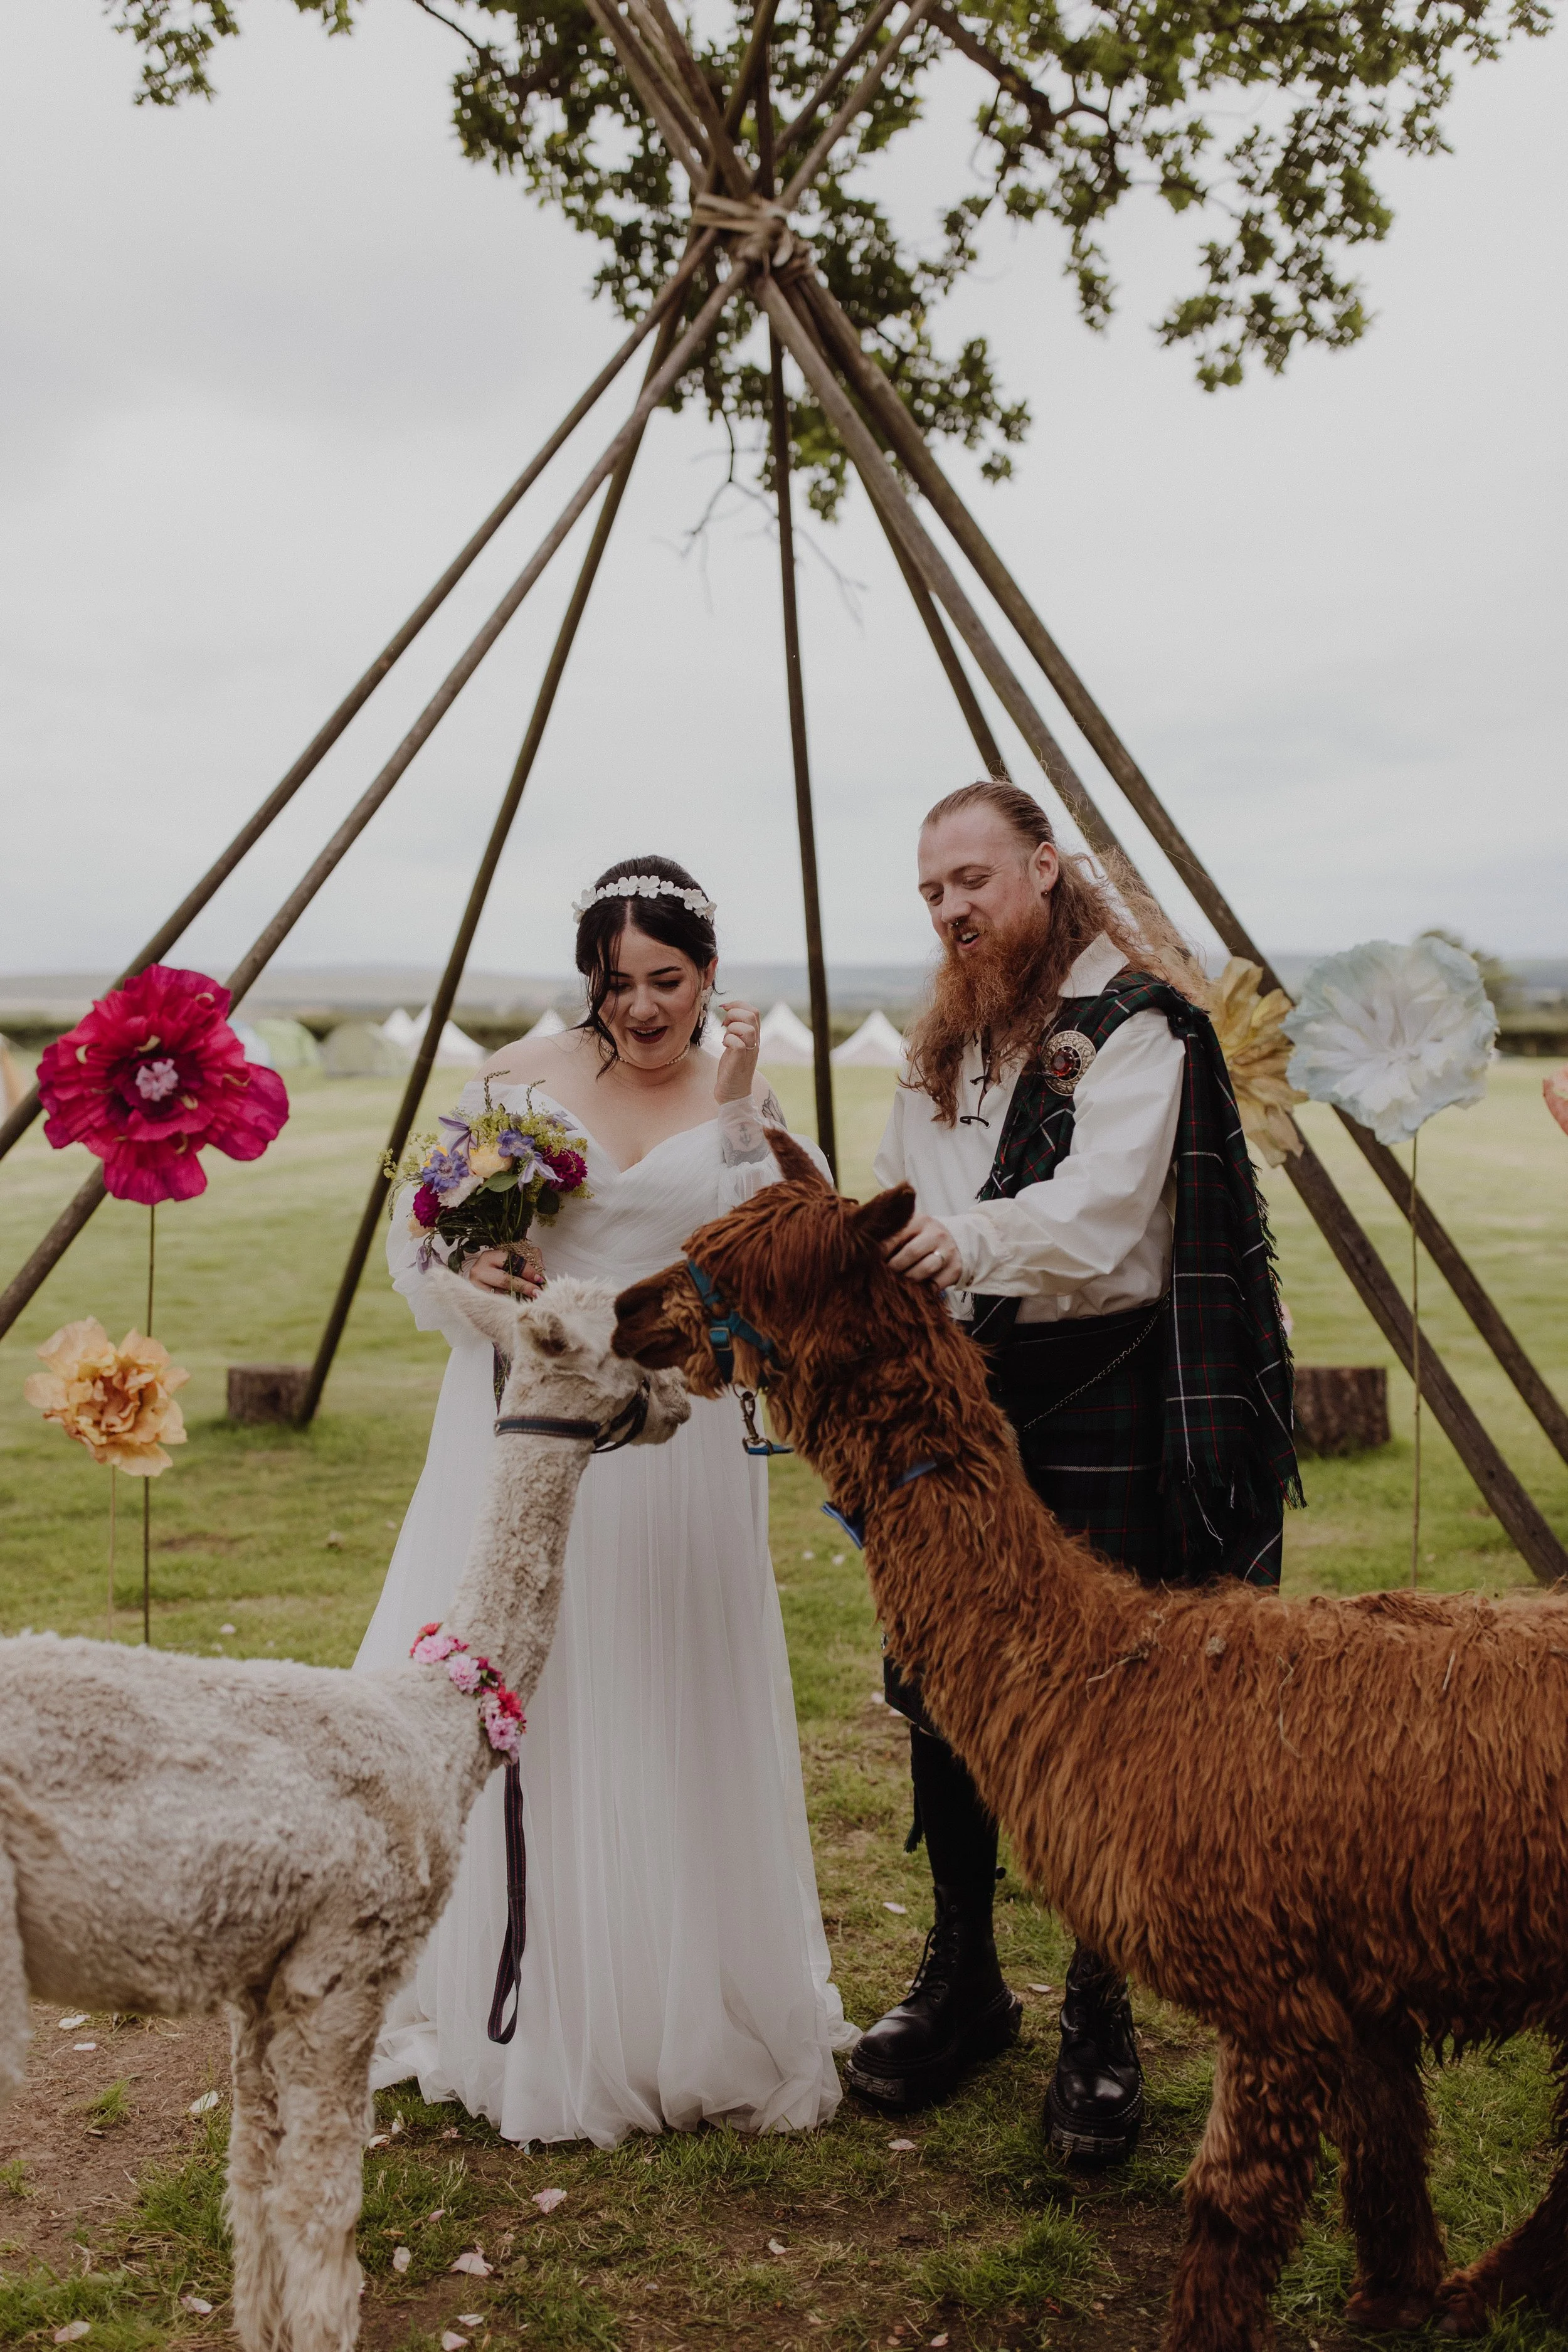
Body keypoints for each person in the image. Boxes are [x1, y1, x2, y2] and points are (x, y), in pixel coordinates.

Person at [356, 855, 856, 2146]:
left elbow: (780, 1254)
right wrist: (483, 1272)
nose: (638, 1009)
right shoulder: (516, 1082)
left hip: (675, 1442)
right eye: (615, 981)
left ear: (706, 976)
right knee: (545, 1679)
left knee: (667, 1686)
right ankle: (521, 1998)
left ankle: (675, 2001)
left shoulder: (740, 1099)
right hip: (533, 1420)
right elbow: (426, 1257)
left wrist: (739, 1106)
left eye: (665, 982)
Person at [849, 781, 1298, 2162]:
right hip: (967, 1400)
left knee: (1111, 1715)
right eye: (931, 891)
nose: (951, 911)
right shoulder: (950, 1038)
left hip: (1110, 1392)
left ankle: (1097, 2017)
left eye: (972, 880)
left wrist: (955, 1246)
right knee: (945, 1679)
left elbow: (1107, 1221)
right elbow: (901, 1180)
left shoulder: (1136, 1023)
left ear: (1044, 866)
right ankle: (964, 1977)